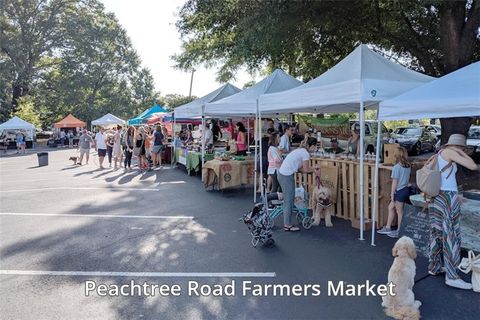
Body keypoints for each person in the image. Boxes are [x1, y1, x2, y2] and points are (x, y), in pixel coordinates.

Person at [427, 134, 480, 290]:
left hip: (437, 196)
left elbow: (444, 177)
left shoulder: (440, 153)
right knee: (451, 236)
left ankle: (434, 266)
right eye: (463, 148)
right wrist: (462, 153)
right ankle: (452, 276)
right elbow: (472, 166)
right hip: (447, 197)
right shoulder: (451, 152)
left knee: (436, 233)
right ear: (459, 146)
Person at [277, 137, 317, 232]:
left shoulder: (301, 151)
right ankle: (287, 225)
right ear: (312, 146)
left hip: (283, 174)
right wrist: (315, 169)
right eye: (315, 146)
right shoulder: (305, 153)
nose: (315, 149)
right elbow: (306, 169)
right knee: (289, 200)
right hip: (286, 176)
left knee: (289, 199)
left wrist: (312, 169)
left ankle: (287, 222)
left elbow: (300, 169)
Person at [377, 147, 411, 238]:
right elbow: (395, 169)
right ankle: (388, 227)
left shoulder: (397, 167)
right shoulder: (407, 166)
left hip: (399, 191)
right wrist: (383, 166)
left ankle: (399, 230)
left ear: (396, 155)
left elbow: (394, 183)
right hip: (405, 190)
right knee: (391, 207)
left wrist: (392, 196)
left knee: (399, 211)